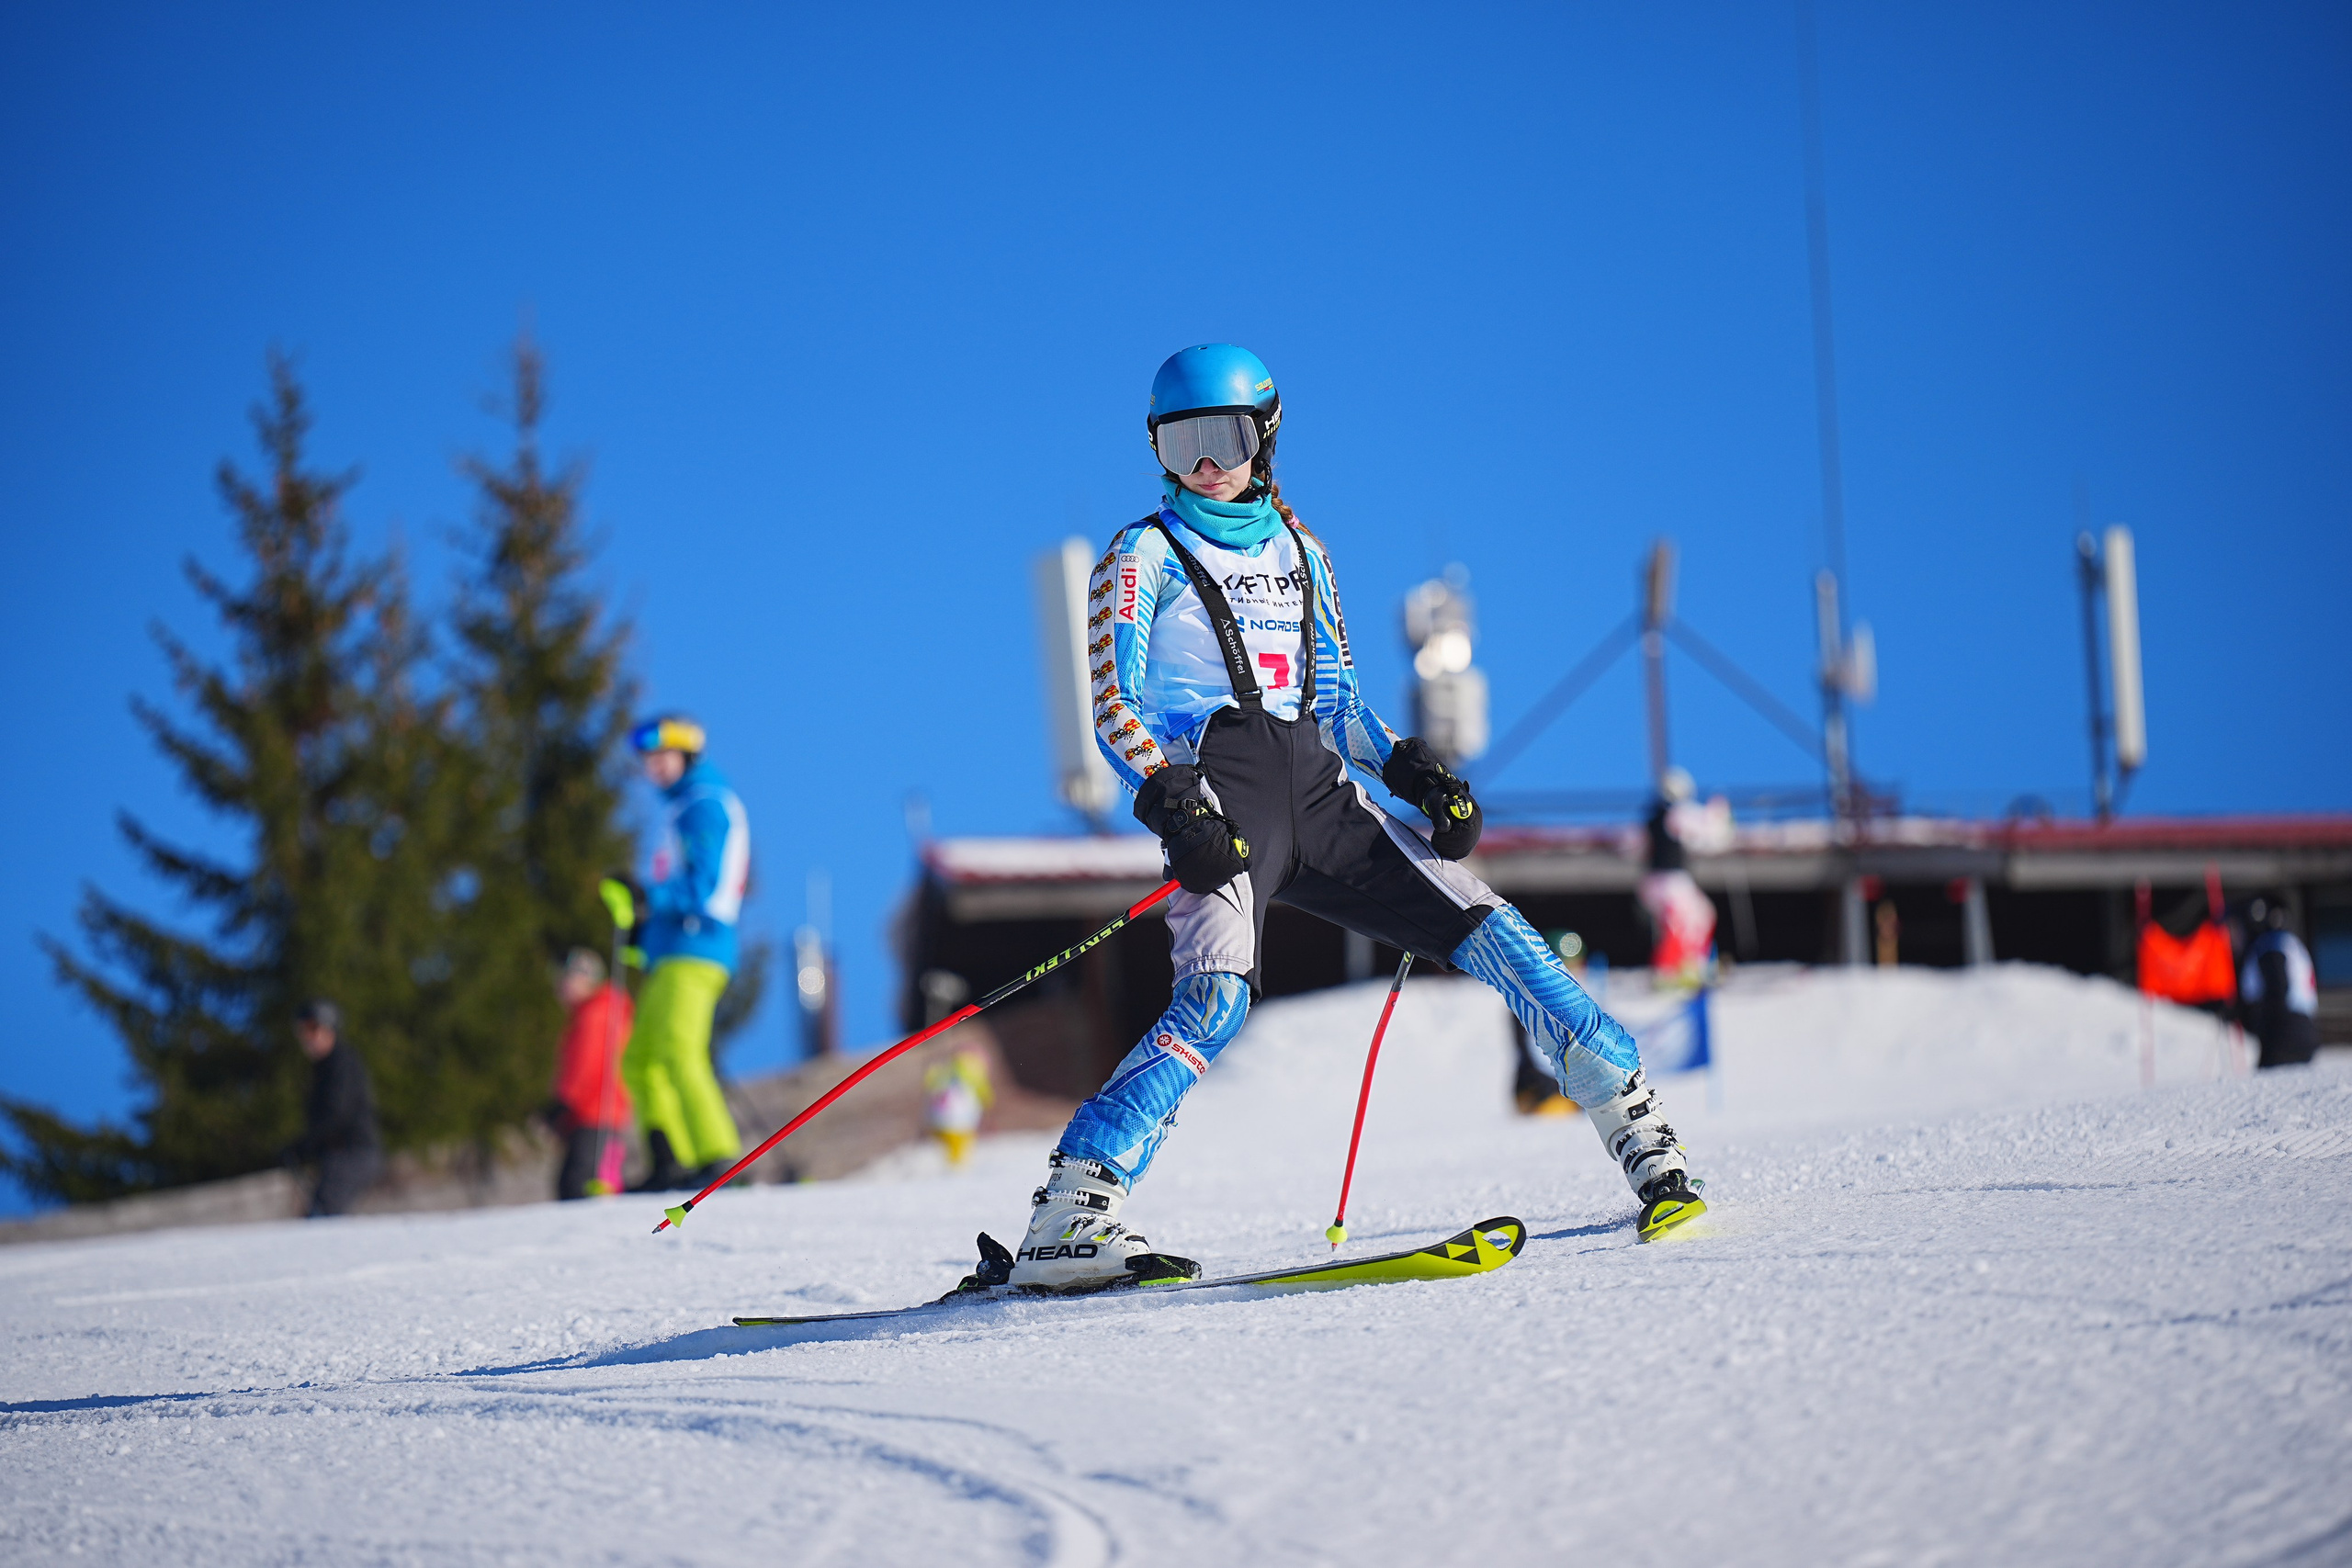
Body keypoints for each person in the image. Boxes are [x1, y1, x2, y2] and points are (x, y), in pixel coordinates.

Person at [994, 344, 1705, 1292]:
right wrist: (1172, 798)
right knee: (1211, 1001)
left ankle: (1641, 1134)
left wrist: (1415, 771)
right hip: (1223, 801)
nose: (1206, 463)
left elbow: (1338, 701)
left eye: (1226, 437)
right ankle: (1070, 1215)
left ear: (1266, 435)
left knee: (1498, 932)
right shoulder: (1142, 553)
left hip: (1324, 796)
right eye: (1181, 442)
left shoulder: (1304, 551)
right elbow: (1113, 702)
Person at [611, 715, 750, 1190]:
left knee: (677, 1051)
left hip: (698, 947)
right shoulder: (679, 809)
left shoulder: (705, 805)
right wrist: (641, 936)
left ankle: (718, 1156)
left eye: (663, 757)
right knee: (640, 1058)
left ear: (688, 756)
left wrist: (650, 899)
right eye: (648, 760)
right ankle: (669, 1158)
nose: (654, 768)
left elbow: (705, 887)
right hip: (671, 949)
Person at [548, 948, 634, 1200]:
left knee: (579, 1185)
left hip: (595, 1112)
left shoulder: (597, 1012)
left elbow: (588, 1061)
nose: (560, 987)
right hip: (593, 1113)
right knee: (590, 1182)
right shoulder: (593, 1012)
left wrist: (565, 1101)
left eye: (566, 979)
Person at [285, 999, 381, 1218]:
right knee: (320, 1218)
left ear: (329, 1029)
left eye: (312, 1028)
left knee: (322, 1219)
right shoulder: (325, 1067)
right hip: (341, 1156)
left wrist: (306, 1144)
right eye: (301, 1030)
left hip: (352, 1154)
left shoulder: (341, 1063)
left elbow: (337, 1112)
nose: (306, 1037)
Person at [2240, 897, 2320, 1068]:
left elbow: (2278, 987)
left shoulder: (2271, 943)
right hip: (2306, 1029)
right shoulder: (2292, 943)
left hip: (2283, 1031)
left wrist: (2264, 1026)